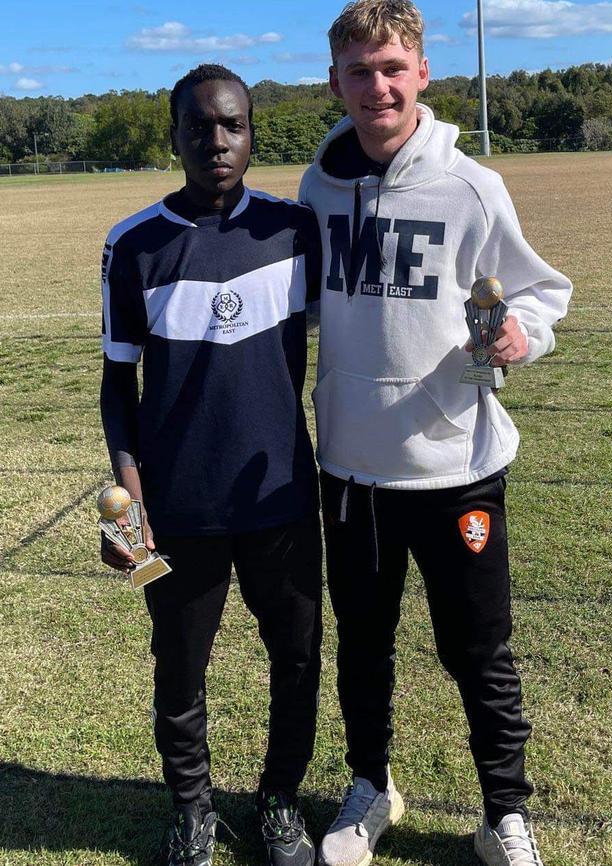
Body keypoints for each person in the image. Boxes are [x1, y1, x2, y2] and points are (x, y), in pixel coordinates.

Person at [298, 3, 572, 866]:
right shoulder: (315, 187)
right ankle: (370, 787)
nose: (376, 86)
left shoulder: (471, 186)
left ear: (421, 73)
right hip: (350, 467)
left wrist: (523, 334)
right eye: (358, 71)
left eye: (392, 68)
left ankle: (504, 814)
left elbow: (539, 292)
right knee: (363, 645)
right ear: (334, 82)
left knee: (478, 651)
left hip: (456, 466)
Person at [100, 63, 322, 866]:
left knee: (297, 659)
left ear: (253, 133)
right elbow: (116, 384)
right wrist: (129, 495)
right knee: (180, 665)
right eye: (200, 127)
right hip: (179, 507)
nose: (218, 141)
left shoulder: (296, 231)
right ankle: (192, 810)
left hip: (281, 495)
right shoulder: (134, 246)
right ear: (176, 138)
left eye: (232, 125)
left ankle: (280, 802)